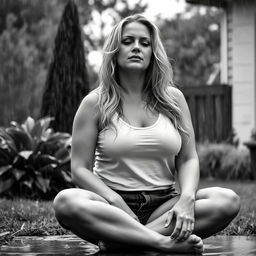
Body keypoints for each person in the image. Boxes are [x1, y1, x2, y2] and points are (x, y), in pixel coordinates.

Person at [53, 14, 240, 254]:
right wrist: (114, 201)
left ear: (153, 51)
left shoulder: (174, 100)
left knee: (227, 200)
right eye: (128, 41)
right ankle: (161, 243)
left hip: (164, 207)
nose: (136, 48)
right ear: (114, 49)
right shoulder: (94, 103)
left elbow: (188, 158)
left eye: (144, 43)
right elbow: (79, 168)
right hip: (110, 208)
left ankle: (126, 241)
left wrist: (187, 199)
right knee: (66, 202)